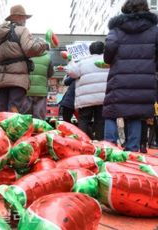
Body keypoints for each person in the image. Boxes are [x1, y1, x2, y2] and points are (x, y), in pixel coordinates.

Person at [102, 0, 158, 151]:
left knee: (111, 112)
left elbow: (108, 54)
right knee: (136, 113)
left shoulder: (116, 29)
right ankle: (132, 150)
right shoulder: (154, 30)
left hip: (119, 79)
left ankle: (110, 147)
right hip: (144, 81)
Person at [0, 4, 49, 113]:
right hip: (18, 79)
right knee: (14, 109)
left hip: (2, 78)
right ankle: (10, 130)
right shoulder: (23, 30)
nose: (25, 20)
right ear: (19, 17)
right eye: (24, 17)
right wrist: (43, 45)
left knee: (1, 109)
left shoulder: (1, 34)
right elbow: (29, 49)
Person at [66, 41, 109, 140]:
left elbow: (72, 73)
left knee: (83, 120)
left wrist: (70, 60)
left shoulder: (83, 62)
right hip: (103, 98)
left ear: (90, 51)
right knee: (100, 121)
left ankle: (83, 142)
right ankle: (99, 144)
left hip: (85, 99)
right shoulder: (107, 62)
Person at [21, 51, 54, 120]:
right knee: (39, 117)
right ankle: (39, 130)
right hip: (41, 91)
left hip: (27, 89)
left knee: (25, 116)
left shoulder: (26, 56)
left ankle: (27, 130)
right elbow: (50, 73)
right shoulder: (48, 58)